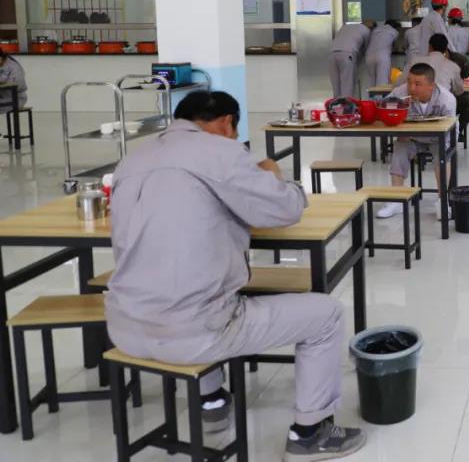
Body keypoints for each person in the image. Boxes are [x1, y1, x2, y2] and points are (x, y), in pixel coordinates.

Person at [105, 91, 365, 461]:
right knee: (326, 315)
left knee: (189, 287)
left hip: (124, 326)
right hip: (193, 333)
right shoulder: (221, 152)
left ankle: (212, 402)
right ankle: (311, 434)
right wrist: (275, 175)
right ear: (227, 123)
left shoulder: (133, 159)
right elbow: (284, 209)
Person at [376, 64, 457, 219]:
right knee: (399, 148)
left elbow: (450, 130)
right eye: (409, 82)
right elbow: (383, 110)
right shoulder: (400, 93)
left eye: (417, 84)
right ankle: (397, 200)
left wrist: (443, 142)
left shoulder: (446, 100)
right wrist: (398, 113)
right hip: (411, 137)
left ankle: (442, 201)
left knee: (443, 154)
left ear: (431, 86)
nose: (411, 88)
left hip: (437, 139)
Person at [328, 21, 370, 98]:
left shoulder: (345, 27)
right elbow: (367, 48)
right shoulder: (366, 30)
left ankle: (336, 104)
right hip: (347, 54)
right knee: (346, 84)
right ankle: (346, 104)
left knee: (336, 84)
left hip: (332, 53)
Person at [364, 20, 401, 87]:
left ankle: (371, 94)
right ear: (395, 27)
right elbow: (396, 47)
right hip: (382, 56)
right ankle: (380, 94)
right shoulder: (394, 31)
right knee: (382, 81)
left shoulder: (375, 30)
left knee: (372, 80)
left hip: (369, 56)